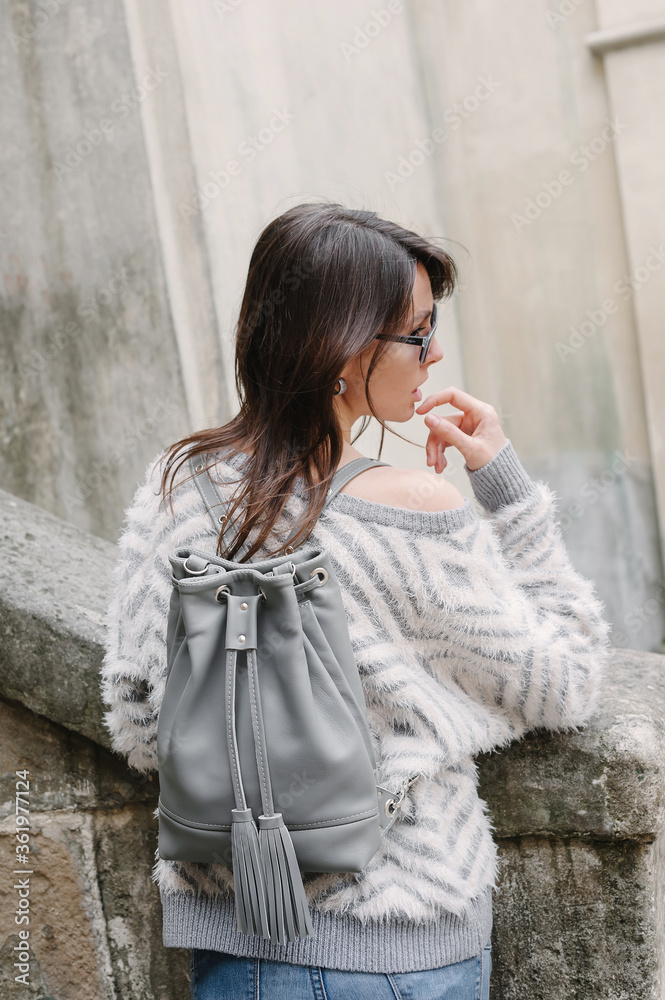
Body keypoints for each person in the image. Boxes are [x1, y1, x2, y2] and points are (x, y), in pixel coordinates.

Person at [100, 202, 612, 1000]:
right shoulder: (414, 509)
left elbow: (135, 720)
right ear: (341, 346)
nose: (433, 352)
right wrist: (505, 490)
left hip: (236, 946)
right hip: (399, 946)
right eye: (416, 332)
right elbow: (565, 682)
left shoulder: (182, 485)